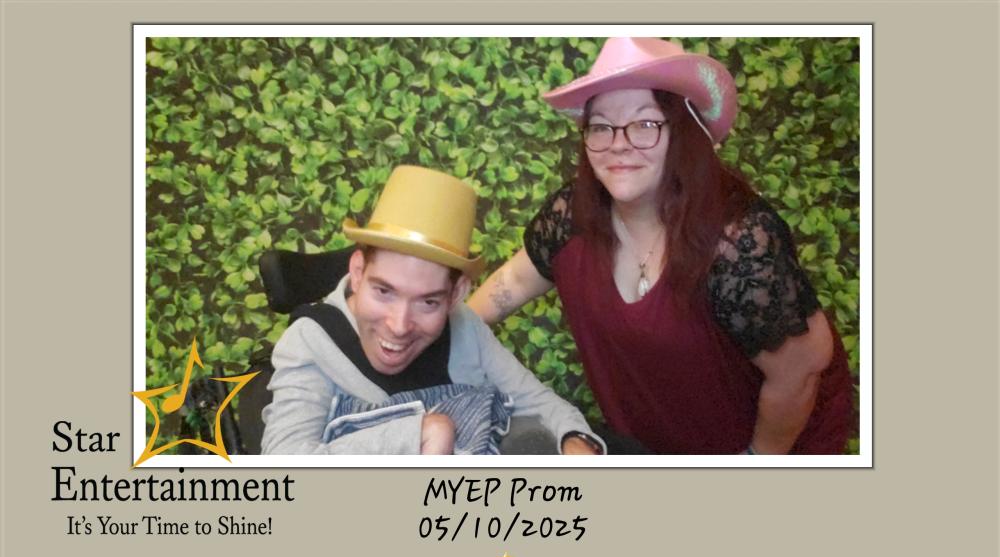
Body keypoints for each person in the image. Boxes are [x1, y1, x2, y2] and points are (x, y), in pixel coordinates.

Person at [468, 37, 854, 455]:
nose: (618, 143)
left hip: (773, 445)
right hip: (660, 444)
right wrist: (439, 330)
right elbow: (515, 281)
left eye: (645, 124)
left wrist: (755, 463)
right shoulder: (573, 215)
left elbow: (801, 370)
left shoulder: (739, 243)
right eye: (601, 126)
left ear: (683, 133)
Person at [261, 165, 605, 455]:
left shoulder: (465, 327)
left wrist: (575, 440)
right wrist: (421, 433)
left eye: (428, 302)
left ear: (456, 295)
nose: (399, 326)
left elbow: (539, 403)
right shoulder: (310, 342)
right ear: (358, 271)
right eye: (384, 291)